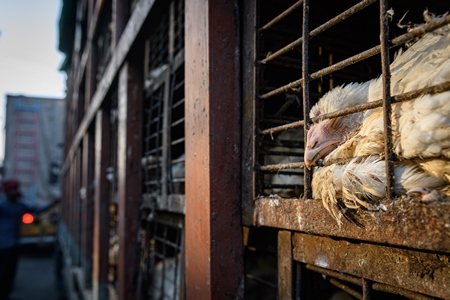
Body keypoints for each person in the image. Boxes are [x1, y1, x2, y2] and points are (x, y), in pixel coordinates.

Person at [0, 179, 59, 300]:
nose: (17, 191)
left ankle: (6, 294)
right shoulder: (2, 207)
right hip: (3, 246)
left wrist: (53, 204)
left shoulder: (18, 205)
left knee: (10, 273)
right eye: (14, 189)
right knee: (3, 272)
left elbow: (37, 210)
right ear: (7, 192)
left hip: (13, 245)